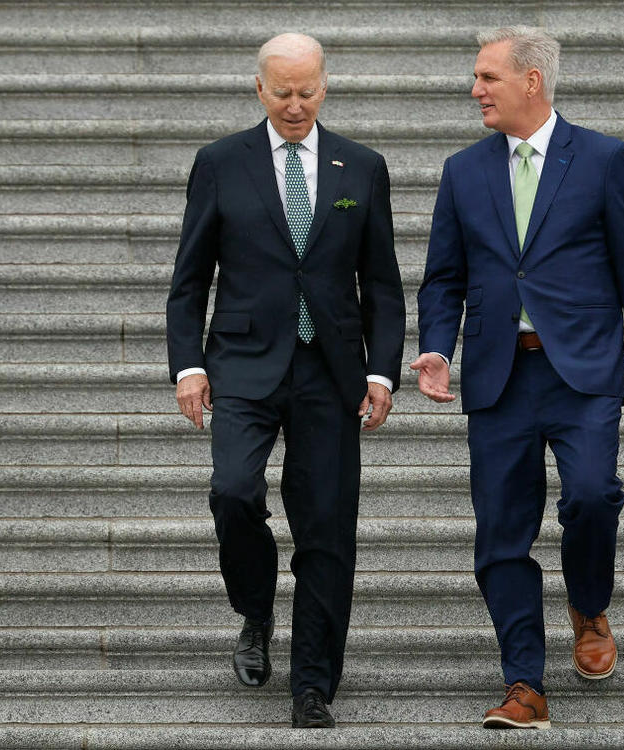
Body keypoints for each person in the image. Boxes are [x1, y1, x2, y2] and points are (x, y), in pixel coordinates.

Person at [411, 26, 624, 729]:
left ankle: (588, 605)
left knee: (592, 496)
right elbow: (443, 278)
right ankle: (524, 683)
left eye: (487, 77)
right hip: (499, 376)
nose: (475, 90)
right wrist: (437, 345)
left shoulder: (602, 158)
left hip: (582, 371)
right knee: (501, 533)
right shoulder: (463, 170)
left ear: (532, 81)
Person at [166, 32, 405, 728]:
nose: (295, 106)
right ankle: (256, 607)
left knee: (327, 525)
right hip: (242, 362)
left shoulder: (361, 167)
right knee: (233, 492)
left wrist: (382, 371)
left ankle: (313, 684)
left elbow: (382, 284)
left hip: (330, 370)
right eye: (282, 93)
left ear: (324, 87)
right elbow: (189, 280)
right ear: (259, 90)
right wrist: (189, 364)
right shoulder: (220, 163)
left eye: (307, 92)